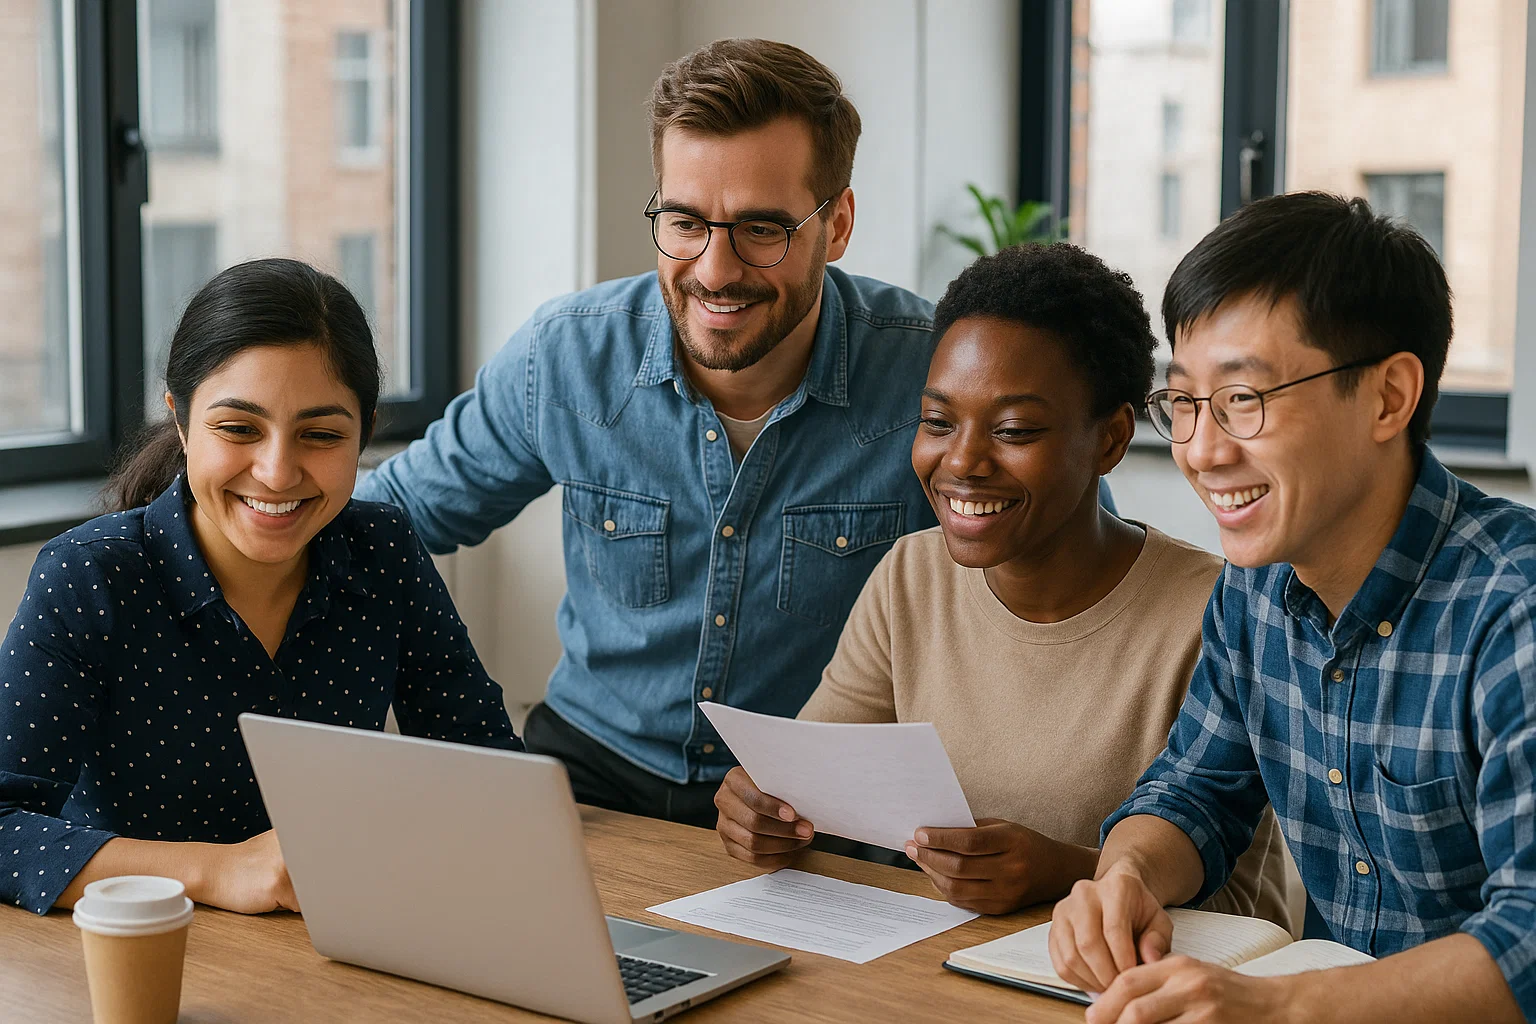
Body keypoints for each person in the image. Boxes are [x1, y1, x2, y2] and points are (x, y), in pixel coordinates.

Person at [358, 39, 1104, 826]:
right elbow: (384, 521)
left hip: (826, 809)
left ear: (838, 223)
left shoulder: (934, 374)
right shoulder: (568, 356)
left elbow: (1077, 567)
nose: (715, 269)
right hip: (590, 775)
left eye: (761, 229)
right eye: (685, 222)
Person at [1046, 192, 1536, 1023]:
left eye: (1244, 399)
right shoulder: (1256, 588)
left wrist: (1279, 1008)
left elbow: (1528, 937)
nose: (1202, 451)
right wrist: (1122, 877)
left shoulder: (1511, 611)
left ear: (1388, 398)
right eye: (1187, 402)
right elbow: (1193, 793)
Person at [712, 243, 1291, 926]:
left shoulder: (1218, 615)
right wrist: (765, 812)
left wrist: (1068, 873)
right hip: (928, 969)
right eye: (937, 421)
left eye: (1014, 429)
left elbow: (1250, 912)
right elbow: (808, 792)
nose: (961, 461)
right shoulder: (910, 575)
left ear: (1109, 441)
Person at [0, 258, 521, 917]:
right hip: (142, 963)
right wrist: (223, 872)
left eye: (322, 435)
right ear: (182, 423)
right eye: (238, 428)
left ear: (365, 430)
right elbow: (4, 824)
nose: (276, 473)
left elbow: (492, 779)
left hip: (341, 951)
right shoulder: (90, 575)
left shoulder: (383, 548)